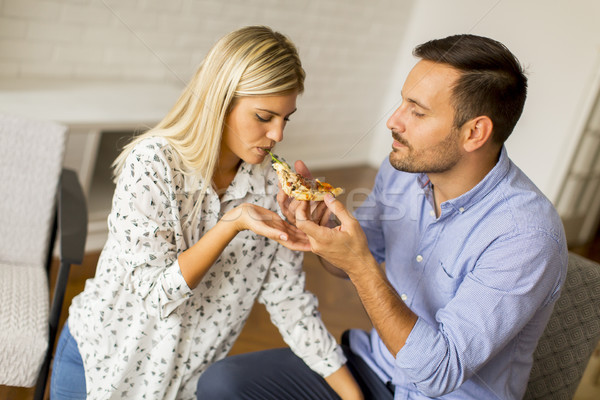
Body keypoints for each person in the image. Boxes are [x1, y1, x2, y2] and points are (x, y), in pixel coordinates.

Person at [195, 34, 568, 399]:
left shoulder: (526, 236)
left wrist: (360, 266)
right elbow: (351, 260)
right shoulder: (404, 171)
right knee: (223, 383)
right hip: (378, 367)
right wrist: (325, 233)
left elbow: (438, 374)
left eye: (417, 112)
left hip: (439, 391)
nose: (394, 121)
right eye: (402, 103)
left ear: (475, 132)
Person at [50, 26, 362, 400]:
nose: (278, 134)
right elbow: (157, 296)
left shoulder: (270, 190)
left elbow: (289, 302)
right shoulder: (152, 165)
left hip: (181, 387)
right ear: (220, 101)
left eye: (286, 118)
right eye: (264, 117)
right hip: (101, 367)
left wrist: (352, 394)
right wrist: (230, 225)